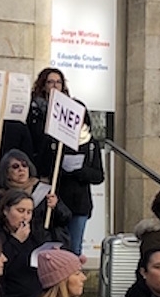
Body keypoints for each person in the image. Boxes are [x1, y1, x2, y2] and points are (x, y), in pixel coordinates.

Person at [25, 69, 104, 254]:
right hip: (55, 200)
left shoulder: (90, 144)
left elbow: (98, 175)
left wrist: (79, 171)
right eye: (50, 82)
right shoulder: (52, 138)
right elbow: (43, 166)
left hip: (78, 204)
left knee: (74, 249)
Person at [0, 189, 66, 297]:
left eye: (29, 212)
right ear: (6, 211)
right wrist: (16, 241)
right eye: (20, 211)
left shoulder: (36, 234)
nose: (25, 217)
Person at [0, 149, 70, 229]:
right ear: (6, 173)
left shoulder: (46, 191)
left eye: (24, 165)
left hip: (43, 235)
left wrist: (56, 207)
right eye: (15, 166)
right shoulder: (2, 196)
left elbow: (66, 218)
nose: (21, 169)